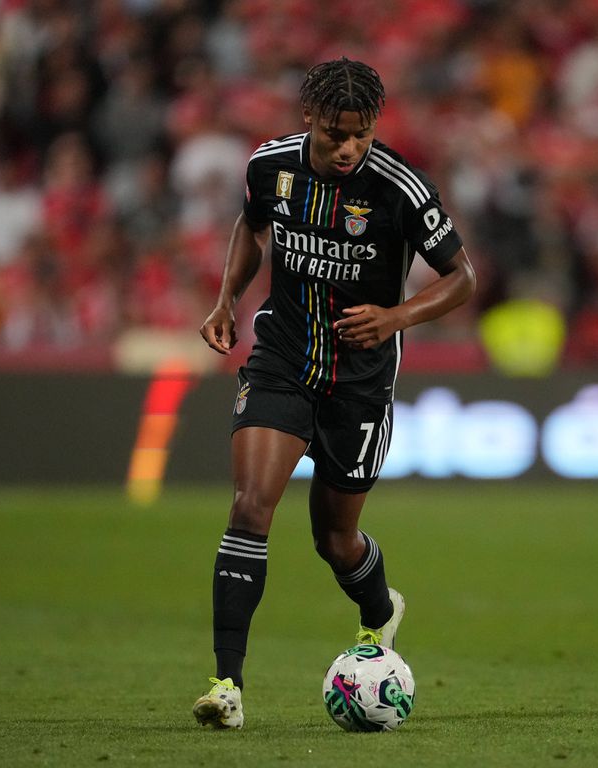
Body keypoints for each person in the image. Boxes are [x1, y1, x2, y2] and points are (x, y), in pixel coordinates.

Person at [192, 57, 476, 729]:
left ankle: (379, 610)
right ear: (309, 121)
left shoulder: (400, 188)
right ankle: (226, 687)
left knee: (335, 540)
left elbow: (462, 276)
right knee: (249, 508)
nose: (348, 147)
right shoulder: (271, 167)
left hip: (361, 383)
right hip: (283, 360)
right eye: (334, 135)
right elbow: (251, 226)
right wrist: (227, 296)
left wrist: (396, 316)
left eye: (361, 134)